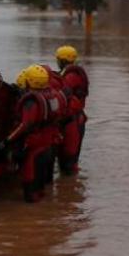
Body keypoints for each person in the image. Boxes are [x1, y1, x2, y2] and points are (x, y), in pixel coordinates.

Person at [7, 65, 66, 203]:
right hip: (47, 144)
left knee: (31, 189)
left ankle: (33, 219)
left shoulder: (31, 101)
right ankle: (42, 216)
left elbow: (25, 125)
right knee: (41, 187)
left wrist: (7, 140)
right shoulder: (53, 95)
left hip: (35, 145)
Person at [55, 45, 89, 176]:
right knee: (67, 160)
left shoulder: (71, 76)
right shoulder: (70, 73)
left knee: (69, 162)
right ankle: (71, 189)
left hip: (73, 121)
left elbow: (62, 94)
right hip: (73, 119)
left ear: (62, 60)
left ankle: (70, 190)